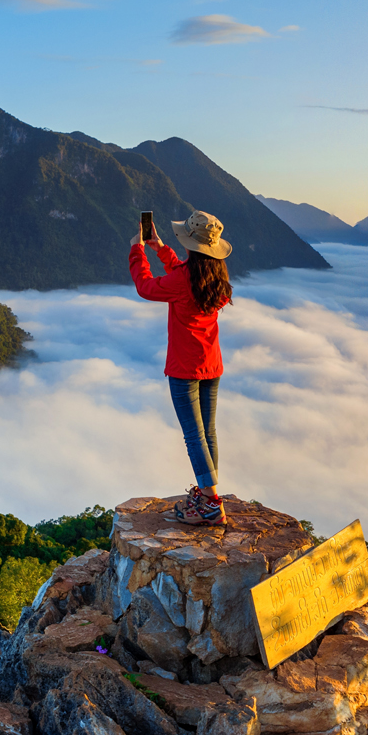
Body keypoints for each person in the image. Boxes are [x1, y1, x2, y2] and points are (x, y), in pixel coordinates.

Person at [130, 210, 235, 524]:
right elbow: (183, 272)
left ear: (190, 243)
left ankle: (211, 503)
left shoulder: (183, 281)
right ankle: (207, 494)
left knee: (194, 435)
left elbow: (146, 287)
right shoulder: (216, 277)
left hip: (183, 369)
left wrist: (138, 250)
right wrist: (160, 248)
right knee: (208, 432)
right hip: (211, 365)